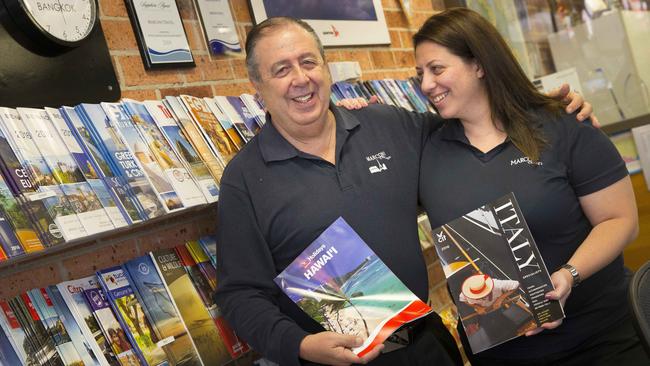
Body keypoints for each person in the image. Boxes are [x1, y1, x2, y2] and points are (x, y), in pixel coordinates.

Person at [214, 16, 591, 366]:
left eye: (309, 62)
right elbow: (239, 294)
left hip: (428, 346)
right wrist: (299, 346)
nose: (300, 78)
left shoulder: (389, 125)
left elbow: (476, 124)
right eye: (281, 70)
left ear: (326, 69)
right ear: (257, 87)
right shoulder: (244, 179)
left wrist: (549, 113)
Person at [413, 7, 648, 365]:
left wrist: (570, 275)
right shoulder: (426, 151)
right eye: (420, 74)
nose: (426, 84)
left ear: (479, 64)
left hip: (600, 341)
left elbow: (620, 220)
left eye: (437, 69)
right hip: (502, 355)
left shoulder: (561, 125)